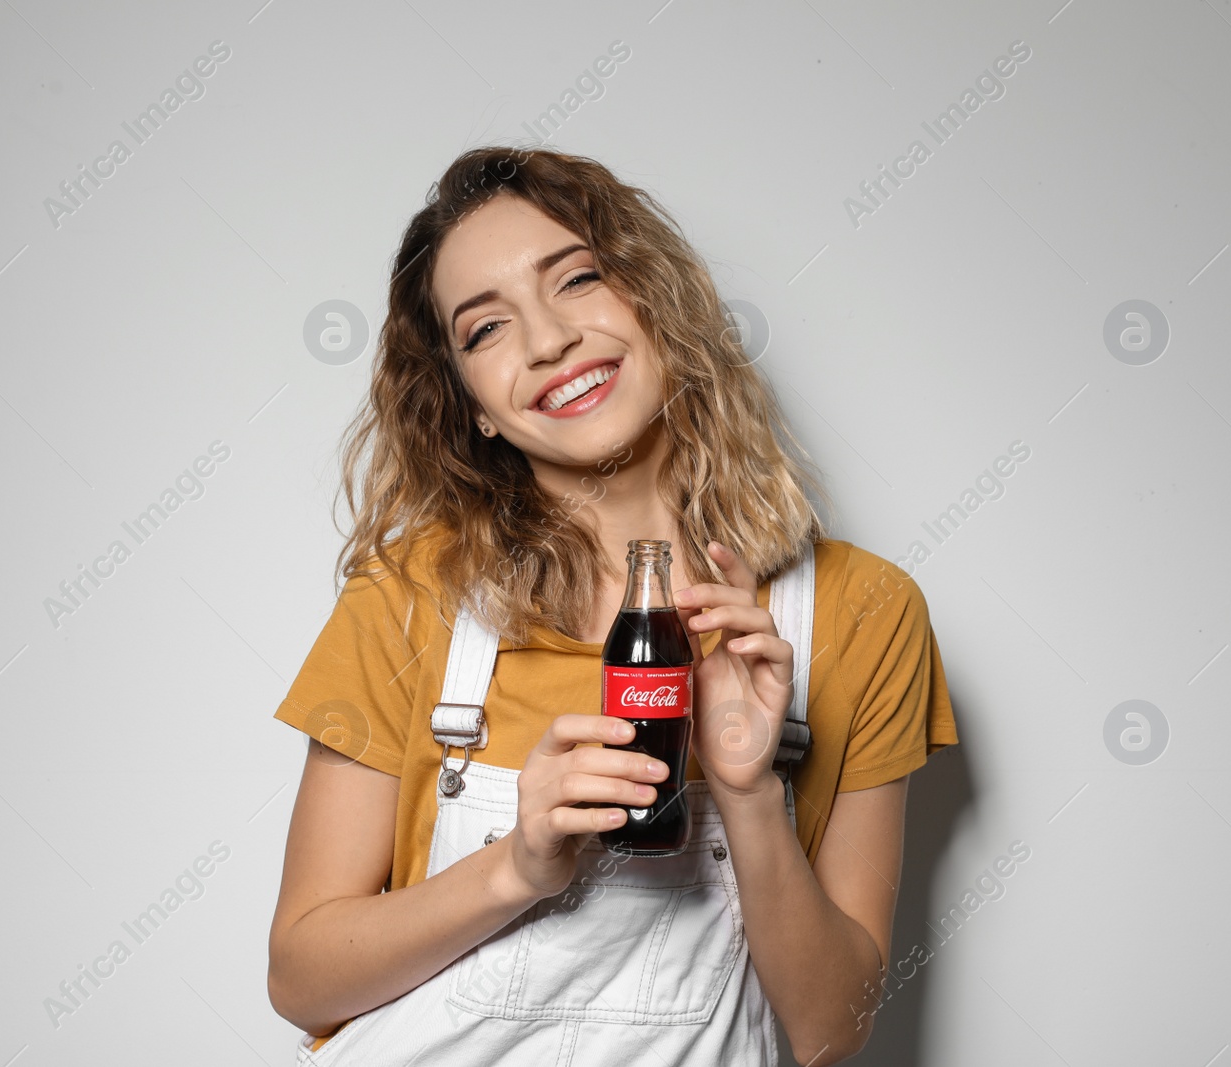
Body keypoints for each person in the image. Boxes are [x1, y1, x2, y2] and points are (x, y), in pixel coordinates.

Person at [266, 145, 957, 1065]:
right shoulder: (411, 598)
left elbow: (833, 1028)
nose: (548, 340)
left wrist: (749, 798)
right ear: (470, 403)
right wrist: (516, 866)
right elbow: (302, 980)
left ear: (655, 299)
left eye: (578, 278)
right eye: (485, 330)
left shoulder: (862, 614)